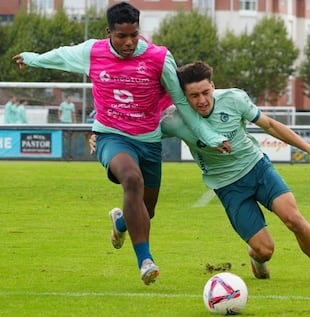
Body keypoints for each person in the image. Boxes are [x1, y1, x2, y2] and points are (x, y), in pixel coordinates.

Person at [12, 2, 230, 285]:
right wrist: (32, 58)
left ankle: (121, 223)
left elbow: (180, 101)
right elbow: (61, 56)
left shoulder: (158, 58)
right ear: (108, 33)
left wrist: (210, 136)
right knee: (131, 178)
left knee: (146, 210)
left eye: (134, 35)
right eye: (121, 36)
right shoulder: (93, 51)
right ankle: (146, 261)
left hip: (149, 141)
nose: (128, 43)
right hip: (110, 135)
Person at [90, 61, 310, 287]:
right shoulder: (173, 119)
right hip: (228, 187)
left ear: (213, 86)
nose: (202, 100)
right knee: (265, 250)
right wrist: (99, 135)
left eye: (205, 92)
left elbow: (269, 125)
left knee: (293, 218)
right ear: (183, 96)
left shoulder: (234, 99)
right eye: (193, 96)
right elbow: (129, 122)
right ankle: (255, 258)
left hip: (258, 168)